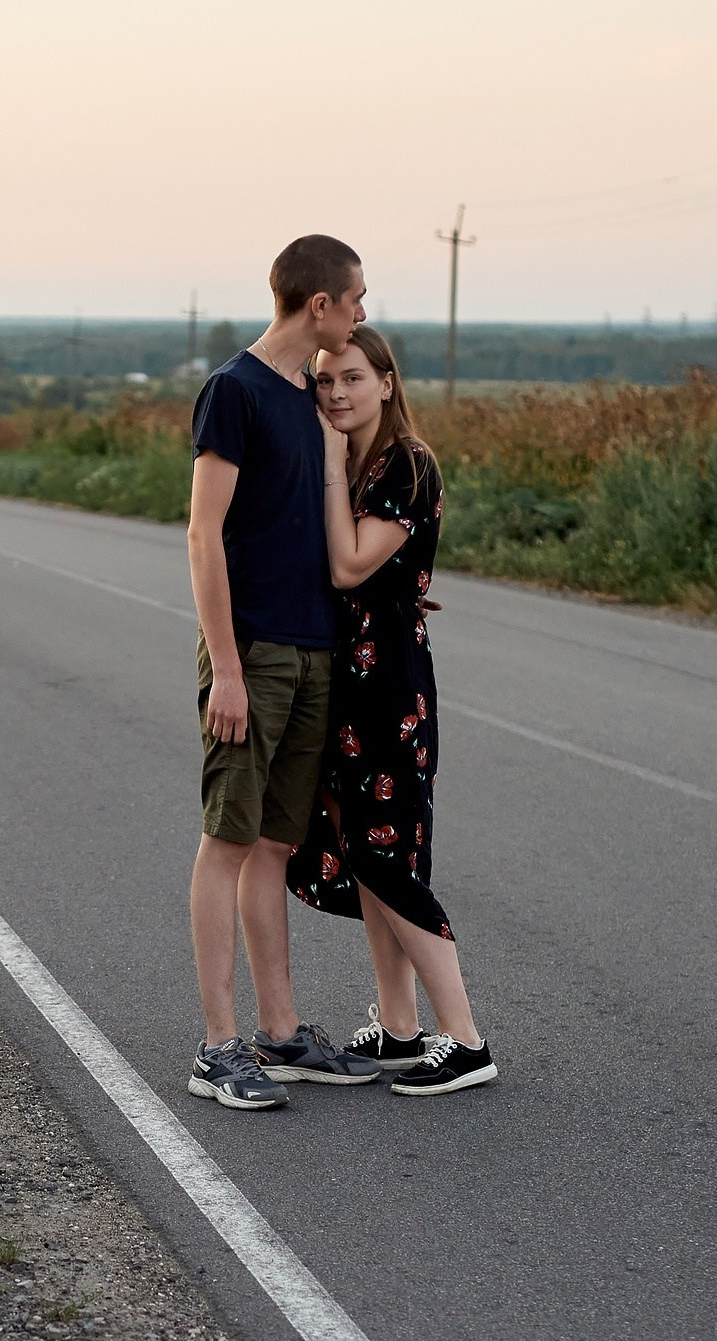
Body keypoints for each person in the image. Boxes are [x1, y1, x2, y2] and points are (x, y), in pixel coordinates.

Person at [184, 236, 383, 1110]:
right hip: (254, 652)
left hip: (313, 651)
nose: (363, 312)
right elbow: (203, 535)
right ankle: (217, 1047)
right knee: (227, 840)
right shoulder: (235, 391)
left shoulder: (312, 398)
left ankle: (280, 1030)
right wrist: (226, 667)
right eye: (356, 298)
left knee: (273, 843)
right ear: (319, 305)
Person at [286, 326, 497, 1096]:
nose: (336, 392)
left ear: (385, 382)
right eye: (324, 380)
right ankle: (401, 1028)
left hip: (388, 683)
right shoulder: (358, 461)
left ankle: (465, 1039)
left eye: (351, 377)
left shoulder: (406, 464)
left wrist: (329, 466)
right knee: (366, 854)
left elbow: (348, 566)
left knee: (388, 857)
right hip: (348, 677)